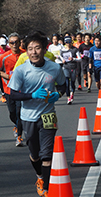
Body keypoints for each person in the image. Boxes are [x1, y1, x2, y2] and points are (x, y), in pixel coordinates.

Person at [8, 32, 66, 197]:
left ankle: (47, 189)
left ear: (44, 49)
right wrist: (31, 96)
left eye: (37, 48)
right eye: (30, 49)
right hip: (28, 116)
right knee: (35, 155)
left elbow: (63, 86)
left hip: (48, 115)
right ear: (26, 51)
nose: (33, 52)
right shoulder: (21, 70)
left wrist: (58, 95)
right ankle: (40, 177)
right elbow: (13, 94)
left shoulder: (54, 68)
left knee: (46, 154)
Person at [0, 32, 24, 146]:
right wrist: (9, 77)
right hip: (8, 89)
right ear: (9, 44)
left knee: (19, 113)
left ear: (20, 43)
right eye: (12, 43)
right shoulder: (3, 57)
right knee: (12, 113)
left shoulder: (25, 55)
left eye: (16, 42)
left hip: (22, 90)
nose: (14, 44)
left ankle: (19, 136)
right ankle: (16, 126)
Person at [60, 36, 81, 104]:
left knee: (72, 83)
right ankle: (68, 98)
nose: (68, 44)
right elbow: (60, 57)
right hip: (65, 67)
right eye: (66, 42)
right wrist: (62, 60)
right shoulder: (62, 50)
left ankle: (72, 93)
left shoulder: (75, 49)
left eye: (69, 42)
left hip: (73, 67)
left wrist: (73, 59)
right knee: (66, 83)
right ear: (65, 43)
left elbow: (80, 59)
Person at [0, 37, 10, 103]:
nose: (3, 47)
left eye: (4, 45)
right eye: (2, 45)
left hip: (6, 67)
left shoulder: (8, 49)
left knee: (4, 81)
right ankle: (3, 94)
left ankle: (5, 94)